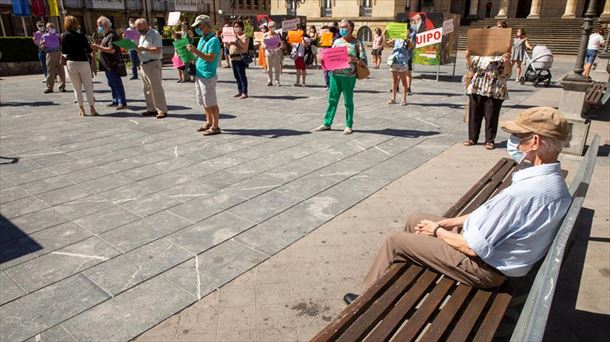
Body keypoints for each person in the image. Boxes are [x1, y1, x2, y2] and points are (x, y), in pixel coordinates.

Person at [343, 107, 571, 305]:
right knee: (416, 219)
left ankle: (367, 299)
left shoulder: (524, 193)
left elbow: (474, 248)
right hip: (493, 254)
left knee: (396, 242)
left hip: (483, 269)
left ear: (535, 142)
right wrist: (447, 223)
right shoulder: (552, 182)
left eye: (519, 136)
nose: (515, 141)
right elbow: (490, 216)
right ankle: (392, 281)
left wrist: (437, 231)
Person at [315, 19, 367, 135]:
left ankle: (349, 125)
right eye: (341, 27)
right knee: (332, 100)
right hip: (335, 75)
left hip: (349, 76)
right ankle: (327, 123)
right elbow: (330, 57)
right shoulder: (336, 42)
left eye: (345, 27)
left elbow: (364, 62)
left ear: (351, 28)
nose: (342, 29)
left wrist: (355, 60)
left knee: (348, 101)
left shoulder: (357, 43)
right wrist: (322, 58)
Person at [464, 49, 512, 150]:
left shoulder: (502, 56)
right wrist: (468, 57)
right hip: (476, 87)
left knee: (491, 115)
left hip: (494, 89)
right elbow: (471, 68)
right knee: (474, 114)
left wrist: (507, 61)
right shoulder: (479, 54)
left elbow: (507, 74)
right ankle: (472, 138)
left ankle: (489, 140)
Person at [187, 15, 222, 136]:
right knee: (204, 101)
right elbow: (201, 54)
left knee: (211, 101)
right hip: (199, 73)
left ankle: (216, 126)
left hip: (208, 75)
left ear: (206, 25)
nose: (198, 29)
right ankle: (208, 122)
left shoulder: (214, 40)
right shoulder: (203, 38)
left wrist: (195, 51)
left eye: (199, 26)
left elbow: (211, 58)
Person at [61, 15, 97, 116]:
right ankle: (92, 108)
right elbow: (89, 50)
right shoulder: (82, 36)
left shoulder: (64, 36)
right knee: (88, 86)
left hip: (71, 62)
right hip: (83, 62)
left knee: (76, 87)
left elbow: (64, 51)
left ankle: (81, 109)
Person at [92, 16, 128, 110]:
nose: (98, 28)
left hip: (112, 64)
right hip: (107, 65)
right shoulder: (106, 35)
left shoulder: (112, 35)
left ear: (106, 25)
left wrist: (99, 47)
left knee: (116, 82)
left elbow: (112, 50)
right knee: (111, 83)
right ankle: (115, 100)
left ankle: (122, 102)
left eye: (99, 25)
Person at [135, 18, 168, 118]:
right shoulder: (141, 35)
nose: (138, 30)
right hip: (144, 64)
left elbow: (158, 50)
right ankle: (151, 109)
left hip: (153, 63)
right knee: (147, 88)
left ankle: (162, 110)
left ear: (145, 25)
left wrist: (144, 49)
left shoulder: (155, 34)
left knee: (156, 87)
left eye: (139, 28)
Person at [386, 32, 413, 106]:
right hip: (394, 60)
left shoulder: (407, 40)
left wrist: (407, 39)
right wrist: (385, 34)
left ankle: (404, 99)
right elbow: (386, 44)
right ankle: (393, 98)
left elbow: (411, 46)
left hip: (403, 62)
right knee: (394, 80)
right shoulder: (396, 39)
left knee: (404, 81)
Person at [41, 22, 66, 94]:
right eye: (50, 27)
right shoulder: (44, 36)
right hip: (50, 53)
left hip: (58, 53)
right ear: (47, 29)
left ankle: (62, 86)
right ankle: (49, 87)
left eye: (53, 27)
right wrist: (42, 45)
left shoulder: (58, 36)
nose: (52, 28)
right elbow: (41, 45)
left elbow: (61, 44)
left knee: (61, 70)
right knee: (50, 71)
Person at [228, 20, 249, 99]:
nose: (235, 28)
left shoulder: (244, 37)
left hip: (240, 58)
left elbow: (244, 47)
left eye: (237, 26)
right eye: (234, 27)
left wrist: (237, 40)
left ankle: (244, 92)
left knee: (242, 75)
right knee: (236, 76)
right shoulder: (232, 37)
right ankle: (239, 90)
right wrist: (226, 41)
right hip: (233, 58)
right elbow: (229, 47)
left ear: (241, 27)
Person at [262, 21, 282, 86]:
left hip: (276, 51)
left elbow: (281, 44)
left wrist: (277, 49)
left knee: (277, 67)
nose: (273, 28)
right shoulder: (265, 35)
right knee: (269, 67)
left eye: (274, 26)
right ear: (269, 27)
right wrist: (265, 46)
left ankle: (277, 81)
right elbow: (262, 42)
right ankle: (269, 80)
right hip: (268, 52)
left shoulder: (277, 34)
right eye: (272, 26)